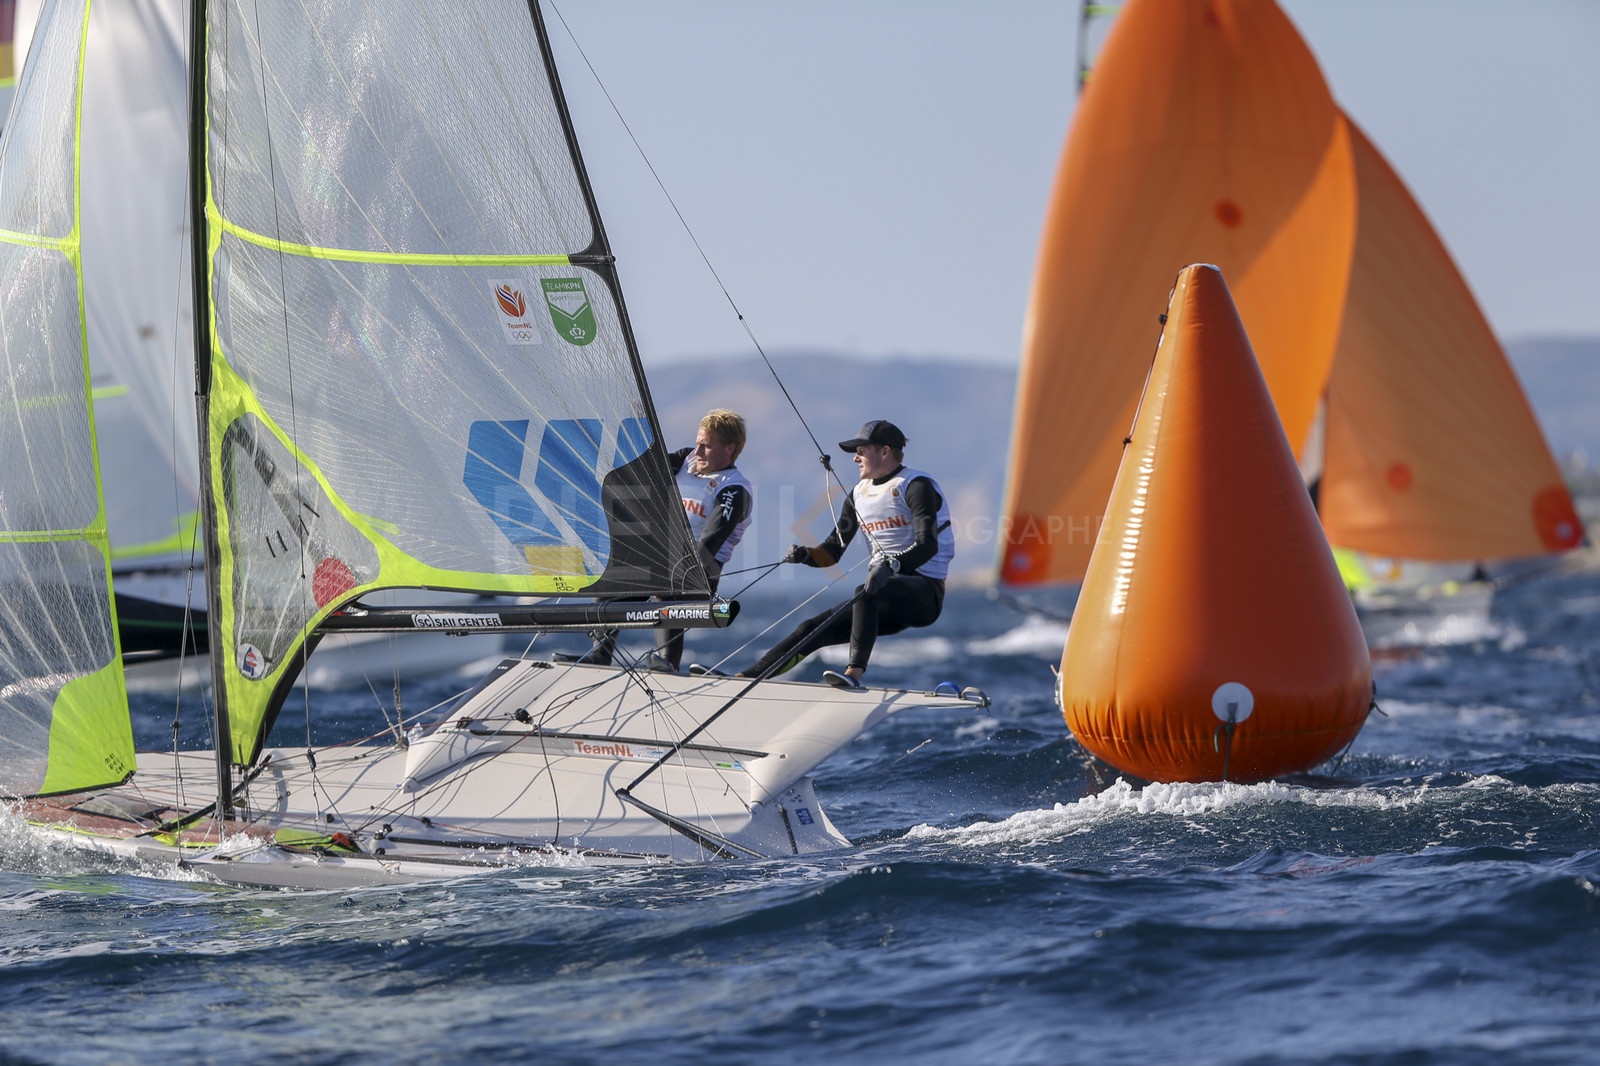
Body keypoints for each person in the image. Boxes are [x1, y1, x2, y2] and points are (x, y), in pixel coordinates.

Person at [725, 419, 953, 690]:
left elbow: (928, 544)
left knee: (866, 591)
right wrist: (806, 555)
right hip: (879, 592)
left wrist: (890, 566)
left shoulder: (915, 486)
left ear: (885, 452)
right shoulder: (857, 495)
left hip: (924, 595)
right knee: (811, 629)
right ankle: (746, 679)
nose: (855, 458)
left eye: (862, 451)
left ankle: (853, 675)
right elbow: (832, 553)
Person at [559, 409, 753, 671]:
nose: (698, 451)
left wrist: (674, 569)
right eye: (697, 443)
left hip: (700, 571)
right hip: (662, 558)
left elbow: (710, 543)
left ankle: (668, 664)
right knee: (614, 576)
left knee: (672, 584)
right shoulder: (686, 460)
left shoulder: (733, 488)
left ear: (730, 449)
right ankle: (599, 655)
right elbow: (642, 469)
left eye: (706, 446)